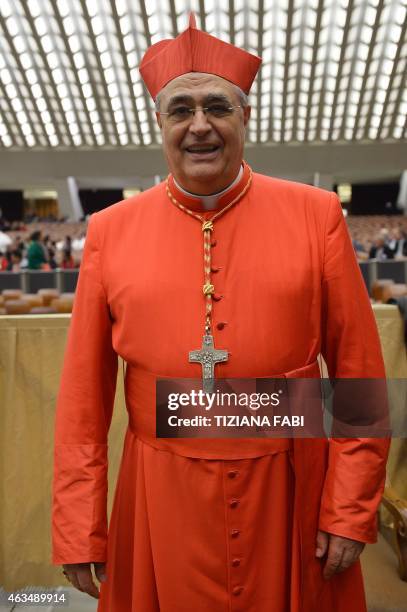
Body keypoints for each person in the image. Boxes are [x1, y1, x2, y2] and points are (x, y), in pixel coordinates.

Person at [52, 14, 389, 612]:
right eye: (180, 110)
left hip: (290, 489)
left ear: (246, 117)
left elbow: (360, 375)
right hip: (159, 492)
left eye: (218, 107)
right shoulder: (109, 230)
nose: (199, 126)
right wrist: (79, 523)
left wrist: (350, 506)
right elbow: (83, 397)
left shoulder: (316, 215)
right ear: (159, 124)